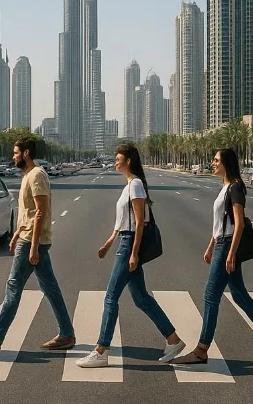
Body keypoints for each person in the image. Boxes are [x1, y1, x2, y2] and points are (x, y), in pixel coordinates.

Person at [77, 142, 185, 368]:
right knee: (141, 298)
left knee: (110, 296)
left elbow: (139, 223)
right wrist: (109, 242)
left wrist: (134, 253)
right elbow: (123, 221)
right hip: (124, 242)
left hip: (129, 246)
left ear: (128, 161)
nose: (115, 161)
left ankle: (101, 350)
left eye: (118, 158)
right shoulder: (129, 185)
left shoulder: (135, 185)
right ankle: (173, 340)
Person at [172, 148, 253, 366]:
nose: (212, 163)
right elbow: (221, 224)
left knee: (210, 296)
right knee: (240, 296)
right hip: (222, 243)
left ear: (226, 164)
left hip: (228, 246)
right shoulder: (225, 187)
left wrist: (230, 253)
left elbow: (239, 223)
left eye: (216, 160)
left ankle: (201, 350)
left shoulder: (234, 188)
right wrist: (210, 245)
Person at [0, 138, 76, 353]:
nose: (13, 156)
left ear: (26, 153)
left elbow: (40, 212)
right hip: (27, 237)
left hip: (32, 241)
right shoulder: (28, 175)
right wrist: (16, 233)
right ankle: (66, 334)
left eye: (16, 152)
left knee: (13, 286)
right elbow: (28, 213)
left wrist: (33, 246)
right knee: (50, 289)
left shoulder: (36, 175)